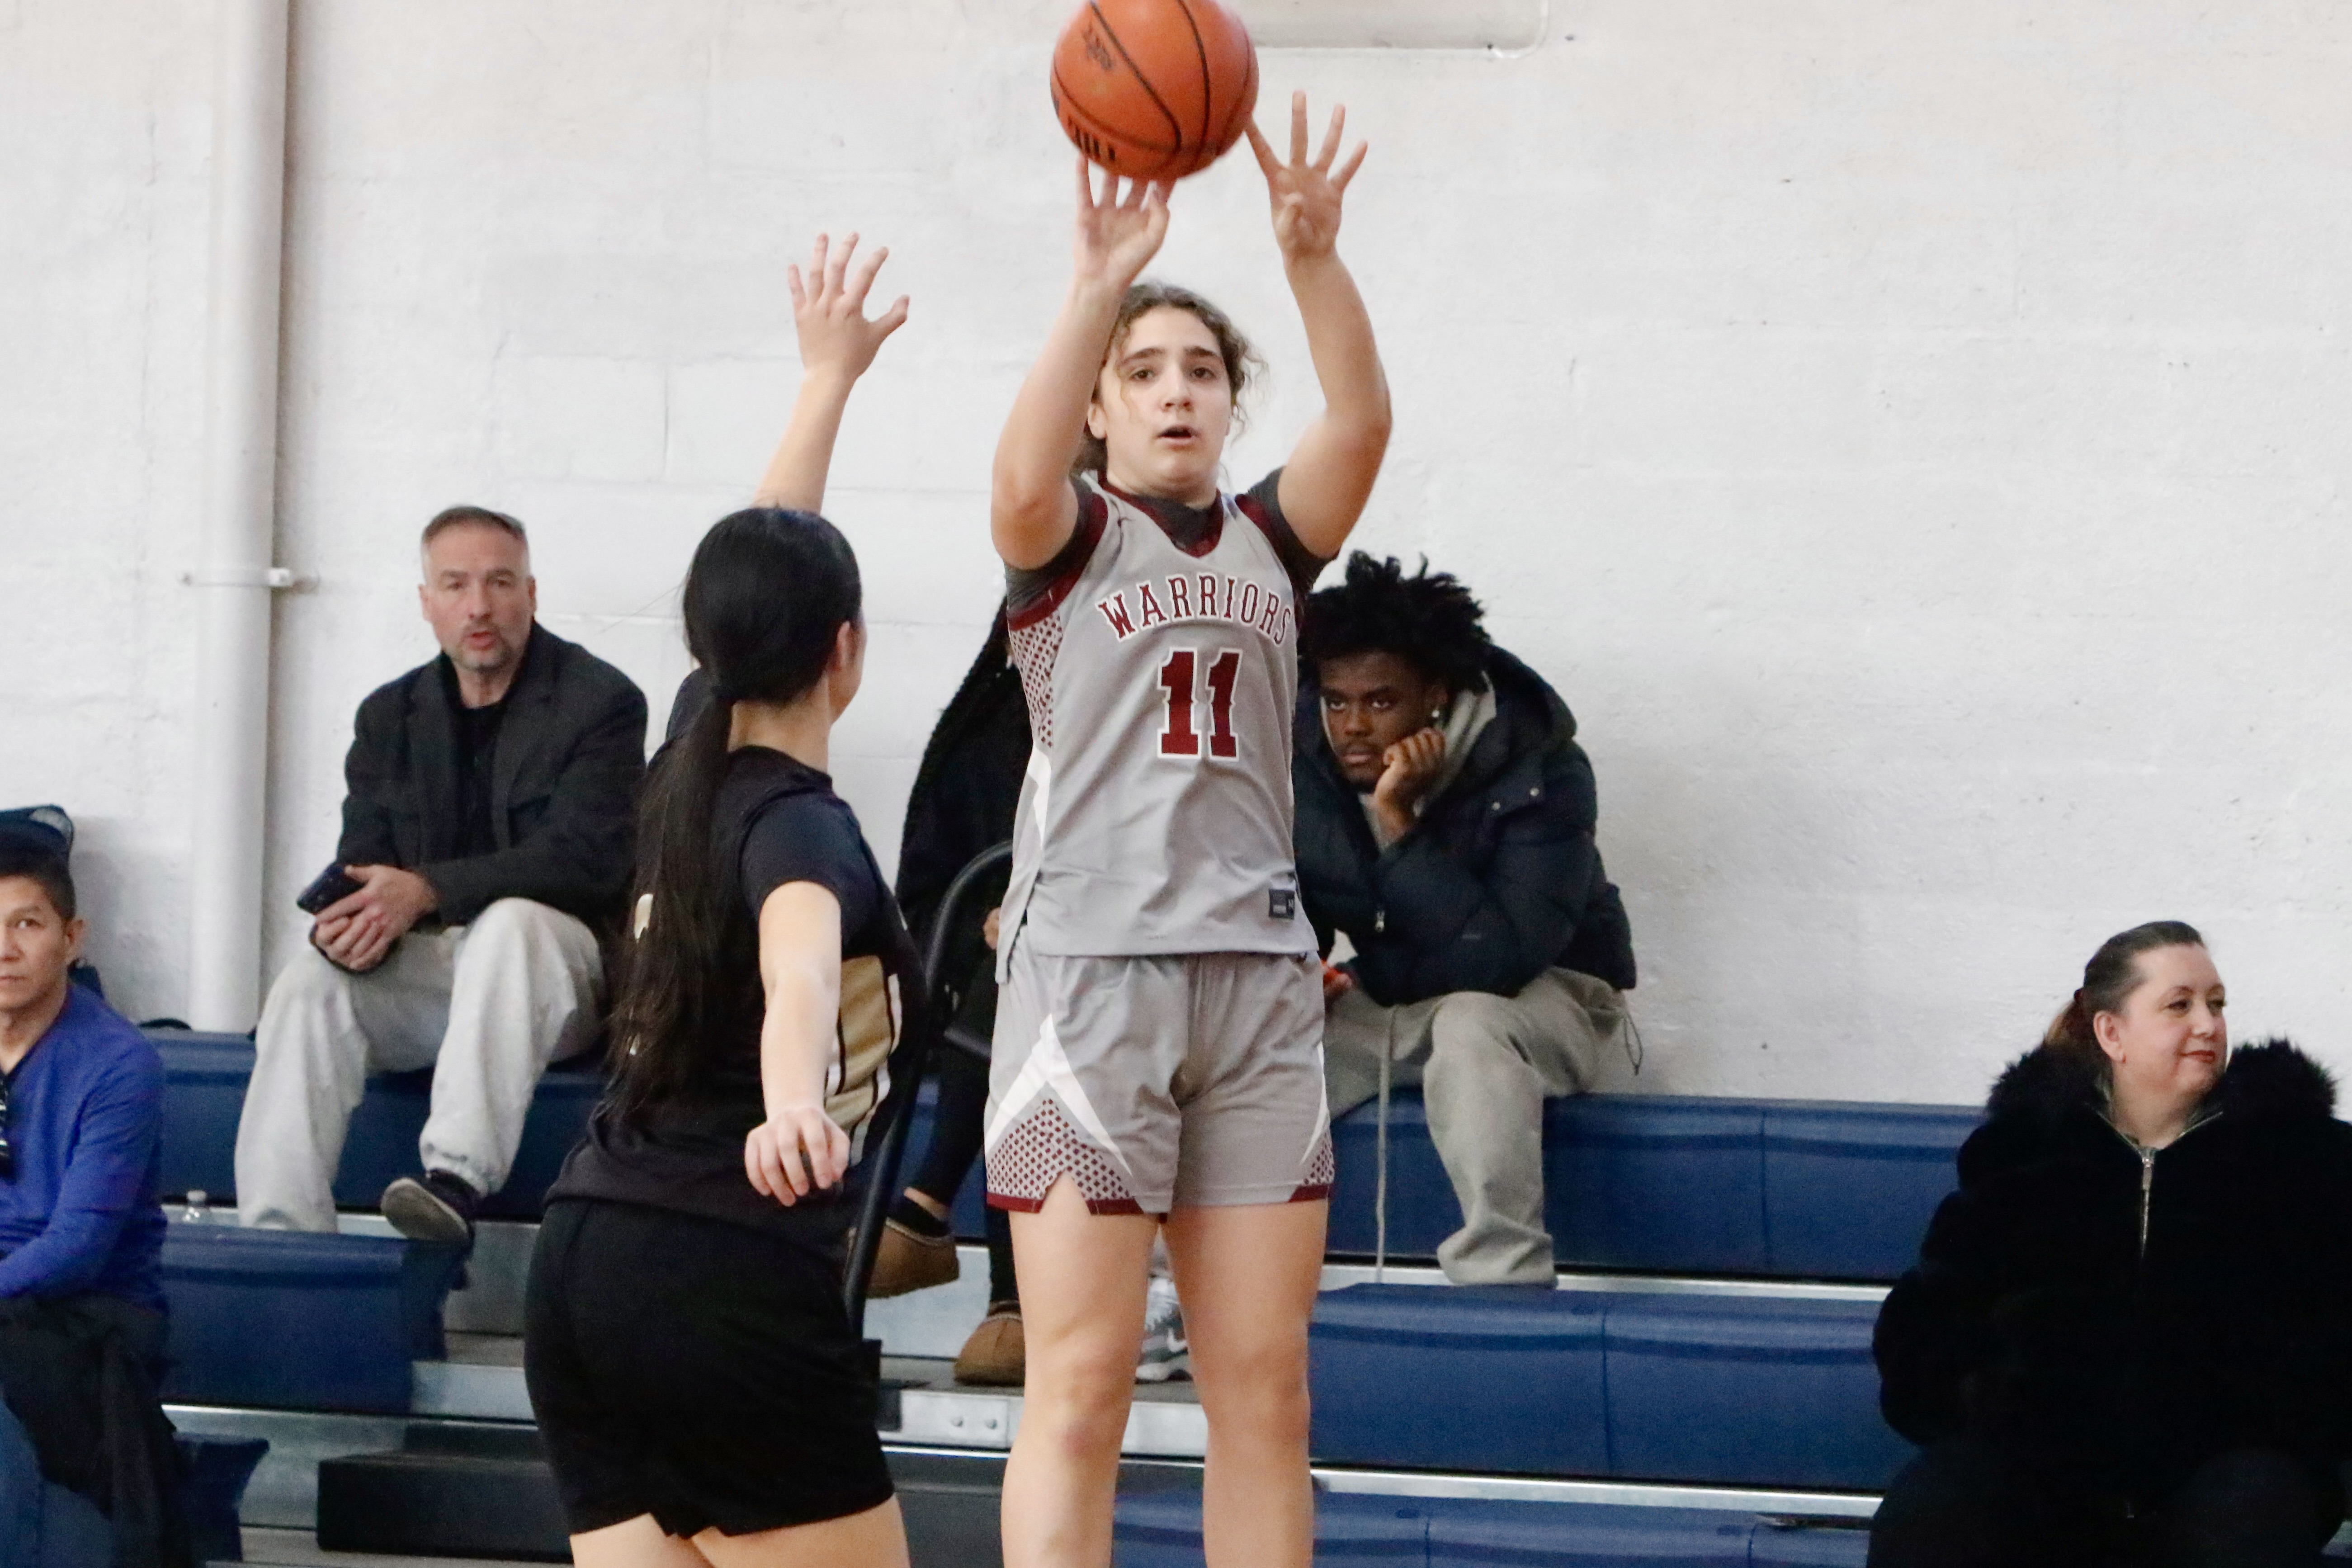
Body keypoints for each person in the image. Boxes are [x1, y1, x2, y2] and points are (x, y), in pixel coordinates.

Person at [985, 94, 1390, 1568]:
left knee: (1267, 1392)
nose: (1176, 394)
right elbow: (1016, 478)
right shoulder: (1069, 541)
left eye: (1203, 372)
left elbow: (1361, 422)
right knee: (1083, 1385)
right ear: (1098, 406)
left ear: (1230, 404)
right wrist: (1097, 284)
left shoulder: (1272, 541)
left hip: (1258, 986)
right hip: (1089, 983)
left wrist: (1312, 259)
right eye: (1143, 372)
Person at [522, 234, 916, 1568]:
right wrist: (793, 1102)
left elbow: (766, 552)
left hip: (584, 1258)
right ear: (847, 651)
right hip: (721, 1272)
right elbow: (799, 960)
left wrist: (826, 381)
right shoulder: (801, 821)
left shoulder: (685, 758)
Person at [1870, 921, 2352, 1568]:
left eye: (2216, 1004)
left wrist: (2286, 1423)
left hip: (2230, 1477)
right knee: (1933, 1513)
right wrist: (1990, 1407)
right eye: (2178, 1005)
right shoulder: (2024, 1150)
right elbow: (1927, 1323)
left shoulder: (2302, 1155)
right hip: (2048, 1476)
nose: (2207, 1025)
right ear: (2110, 1033)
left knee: (2247, 1521)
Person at [233, 505, 647, 1243]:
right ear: (427, 602)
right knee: (308, 984)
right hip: (445, 980)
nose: (478, 606)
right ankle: (279, 1238)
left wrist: (426, 890)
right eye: (456, 585)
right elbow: (366, 859)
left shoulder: (601, 702)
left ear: (531, 594)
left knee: (512, 924)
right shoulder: (388, 716)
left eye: (499, 582)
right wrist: (352, 926)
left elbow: (588, 859)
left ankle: (455, 1179)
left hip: (559, 984)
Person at [1294, 553, 1636, 1285]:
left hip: (1547, 998)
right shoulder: (1307, 762)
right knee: (1246, 1037)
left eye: (1380, 702)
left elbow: (1498, 959)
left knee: (1470, 1022)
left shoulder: (1539, 765)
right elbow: (1285, 903)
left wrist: (1399, 822)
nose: (1352, 726)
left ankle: (1502, 1284)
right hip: (1396, 995)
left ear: (1436, 697)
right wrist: (1294, 971)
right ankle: (1182, 1285)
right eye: (1335, 701)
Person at [0, 828, 187, 1566]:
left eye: (27, 923)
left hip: (89, 1315)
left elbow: (77, 1248)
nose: (5, 949)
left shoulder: (119, 1064)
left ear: (72, 938)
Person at [869, 608, 1031, 1386]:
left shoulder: (1166, 718)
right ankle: (1010, 1298)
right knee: (1014, 976)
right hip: (992, 986)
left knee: (1032, 973)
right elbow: (927, 891)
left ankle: (927, 1202)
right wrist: (986, 925)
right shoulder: (991, 723)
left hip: (1137, 978)